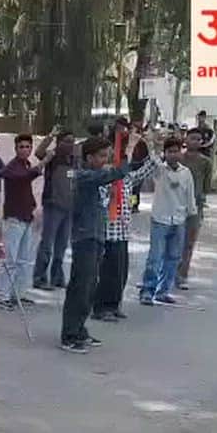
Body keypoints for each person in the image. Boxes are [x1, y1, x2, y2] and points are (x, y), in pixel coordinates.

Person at [61, 132, 145, 353]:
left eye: (107, 156)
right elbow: (118, 173)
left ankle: (79, 329)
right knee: (81, 286)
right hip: (85, 237)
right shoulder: (84, 176)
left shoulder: (95, 174)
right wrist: (129, 149)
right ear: (88, 157)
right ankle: (69, 334)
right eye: (100, 156)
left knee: (90, 287)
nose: (104, 161)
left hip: (98, 235)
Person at [93, 131, 161, 323]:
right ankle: (101, 307)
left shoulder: (128, 178)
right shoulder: (103, 179)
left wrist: (148, 144)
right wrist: (110, 197)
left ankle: (114, 305)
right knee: (107, 272)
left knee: (120, 271)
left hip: (122, 232)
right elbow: (101, 202)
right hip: (108, 232)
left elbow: (152, 166)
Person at [0, 133, 52, 308]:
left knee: (24, 260)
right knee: (10, 260)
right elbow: (25, 176)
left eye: (28, 147)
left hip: (26, 217)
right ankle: (2, 296)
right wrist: (44, 162)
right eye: (22, 147)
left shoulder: (26, 164)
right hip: (14, 219)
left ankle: (18, 294)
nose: (25, 150)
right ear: (16, 148)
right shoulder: (13, 167)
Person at [139, 137, 199, 306]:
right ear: (165, 154)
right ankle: (147, 290)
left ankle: (163, 291)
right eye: (170, 151)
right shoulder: (160, 170)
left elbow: (190, 194)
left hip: (179, 219)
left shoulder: (185, 172)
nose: (174, 155)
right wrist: (154, 146)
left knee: (173, 257)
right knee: (155, 257)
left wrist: (191, 213)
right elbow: (153, 160)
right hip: (161, 218)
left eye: (177, 151)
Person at [33, 129, 78, 289]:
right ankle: (40, 277)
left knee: (62, 244)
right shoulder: (52, 157)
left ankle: (57, 276)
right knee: (47, 243)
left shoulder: (74, 159)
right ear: (59, 142)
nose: (70, 144)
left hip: (69, 207)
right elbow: (38, 152)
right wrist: (50, 135)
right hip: (53, 205)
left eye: (72, 141)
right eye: (66, 141)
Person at [177, 128, 214, 290]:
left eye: (199, 139)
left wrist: (201, 200)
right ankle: (167, 273)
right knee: (172, 239)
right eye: (193, 138)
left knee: (188, 242)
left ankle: (182, 275)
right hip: (175, 204)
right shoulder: (178, 158)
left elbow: (206, 186)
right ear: (186, 140)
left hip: (195, 206)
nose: (196, 142)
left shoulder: (206, 162)